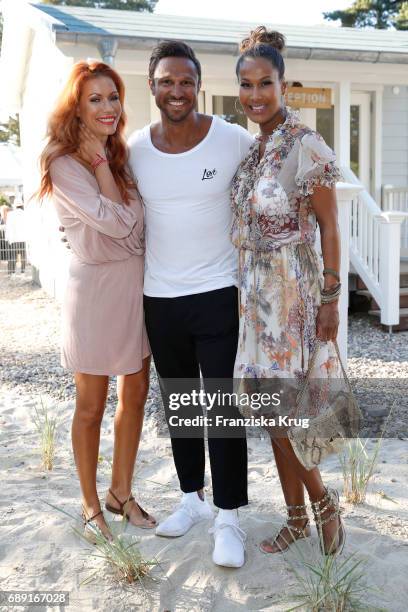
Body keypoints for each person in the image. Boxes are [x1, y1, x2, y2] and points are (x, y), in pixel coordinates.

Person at [128, 41, 253, 568]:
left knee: (222, 405)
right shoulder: (134, 148)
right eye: (165, 81)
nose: (175, 91)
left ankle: (229, 517)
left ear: (198, 85)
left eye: (185, 81)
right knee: (179, 400)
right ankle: (191, 500)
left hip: (218, 292)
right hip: (160, 295)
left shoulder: (232, 141)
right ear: (151, 86)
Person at [232, 27, 345, 556]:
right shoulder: (254, 150)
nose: (256, 95)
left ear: (283, 85)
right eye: (247, 85)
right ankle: (296, 517)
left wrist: (331, 299)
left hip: (293, 294)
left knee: (289, 413)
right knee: (272, 414)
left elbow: (329, 227)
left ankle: (324, 505)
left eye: (266, 84)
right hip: (256, 300)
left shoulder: (305, 145)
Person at [38, 61, 156, 541]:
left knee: (136, 394)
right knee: (91, 404)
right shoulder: (63, 162)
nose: (108, 107)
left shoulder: (121, 153)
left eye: (114, 97)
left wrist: (109, 164)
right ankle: (91, 505)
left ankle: (120, 493)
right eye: (96, 99)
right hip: (93, 293)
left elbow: (135, 223)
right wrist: (104, 170)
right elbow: (121, 223)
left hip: (134, 286)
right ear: (76, 106)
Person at [5, 197, 27, 274]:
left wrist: (6, 238)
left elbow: (8, 227)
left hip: (13, 239)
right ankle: (23, 271)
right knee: (23, 256)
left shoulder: (10, 214)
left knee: (12, 256)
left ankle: (11, 272)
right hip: (23, 239)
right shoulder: (25, 214)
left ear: (14, 205)